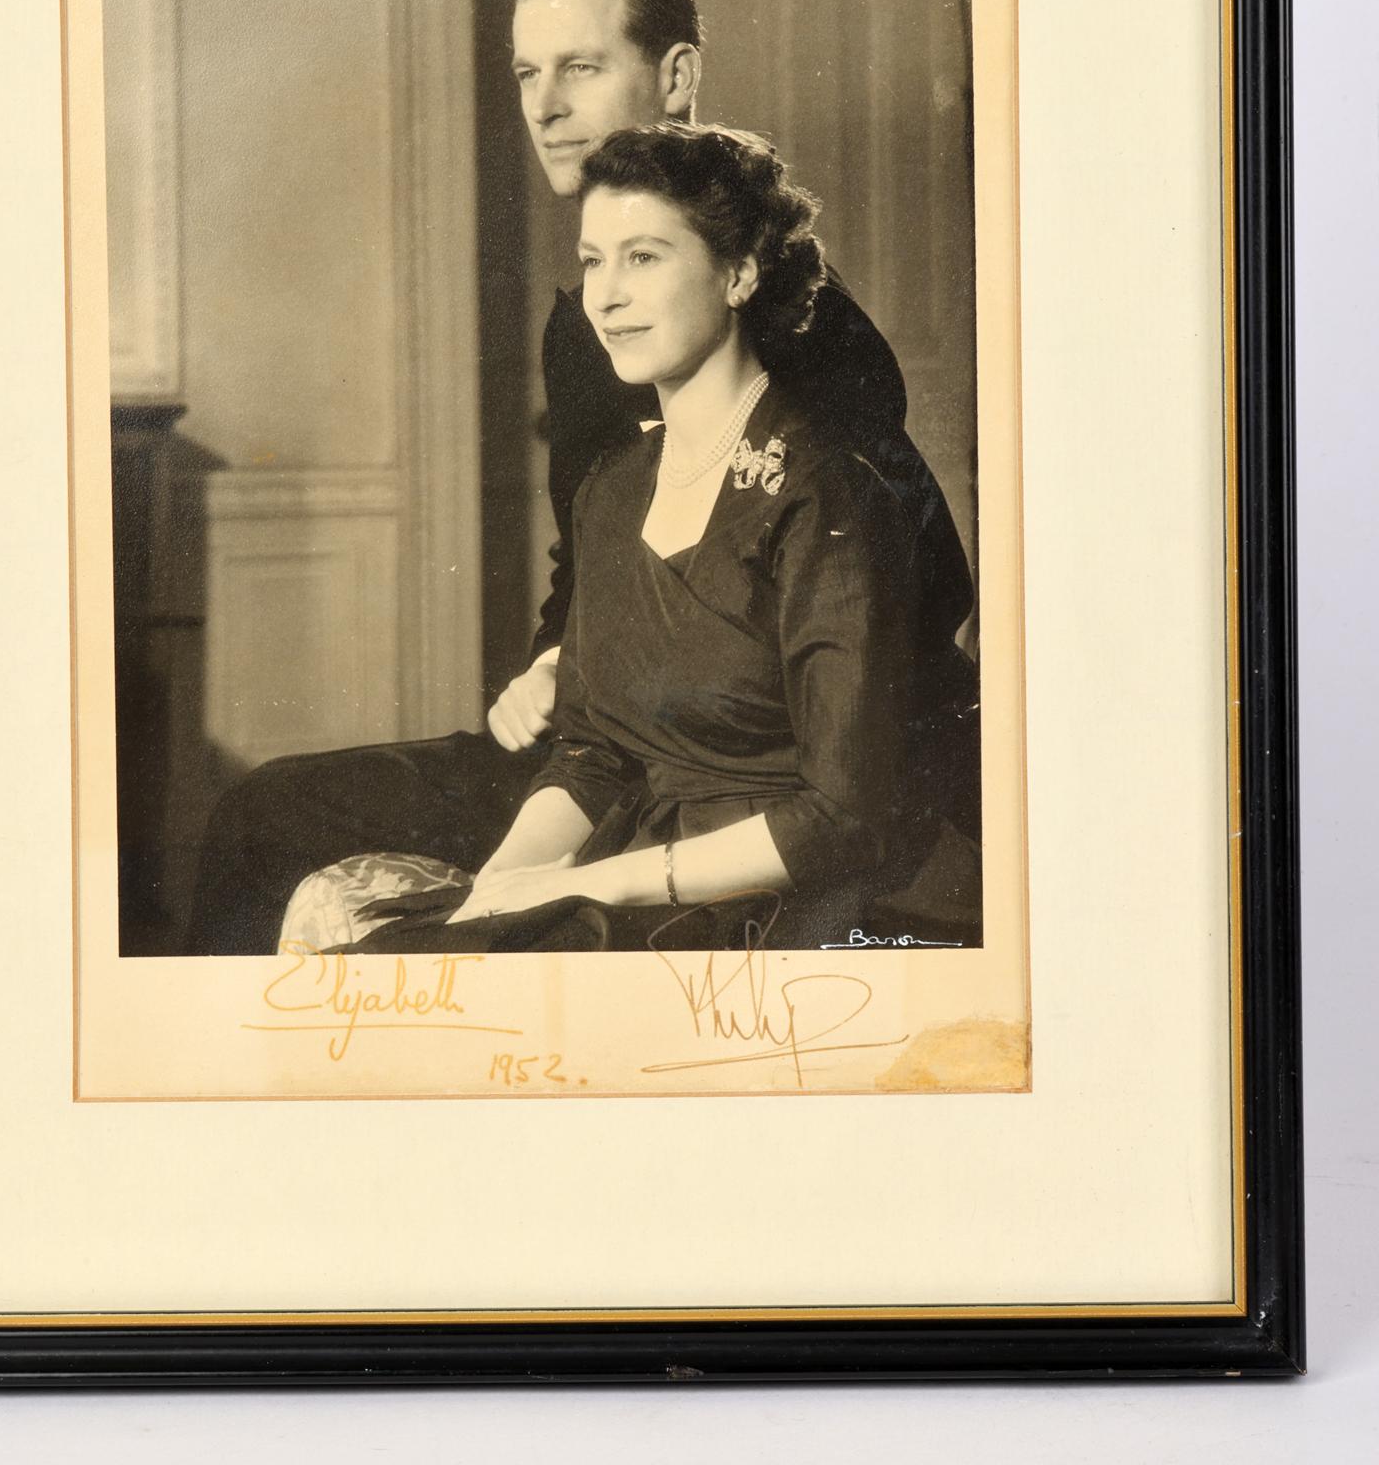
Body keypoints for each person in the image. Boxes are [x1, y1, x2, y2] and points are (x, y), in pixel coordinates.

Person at [185, 0, 968, 953]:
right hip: (607, 737)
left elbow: (907, 592)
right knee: (271, 814)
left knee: (316, 850)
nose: (543, 105)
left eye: (581, 66)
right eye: (525, 72)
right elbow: (595, 571)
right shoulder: (584, 329)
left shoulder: (810, 339)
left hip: (751, 766)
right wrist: (565, 661)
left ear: (675, 77)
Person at [351, 124, 980, 953]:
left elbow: (837, 819)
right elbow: (591, 756)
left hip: (796, 902)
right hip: (642, 875)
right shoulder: (611, 491)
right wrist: (496, 890)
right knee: (402, 963)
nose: (604, 297)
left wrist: (586, 882)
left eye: (643, 258)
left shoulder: (828, 495)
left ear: (739, 273)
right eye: (591, 261)